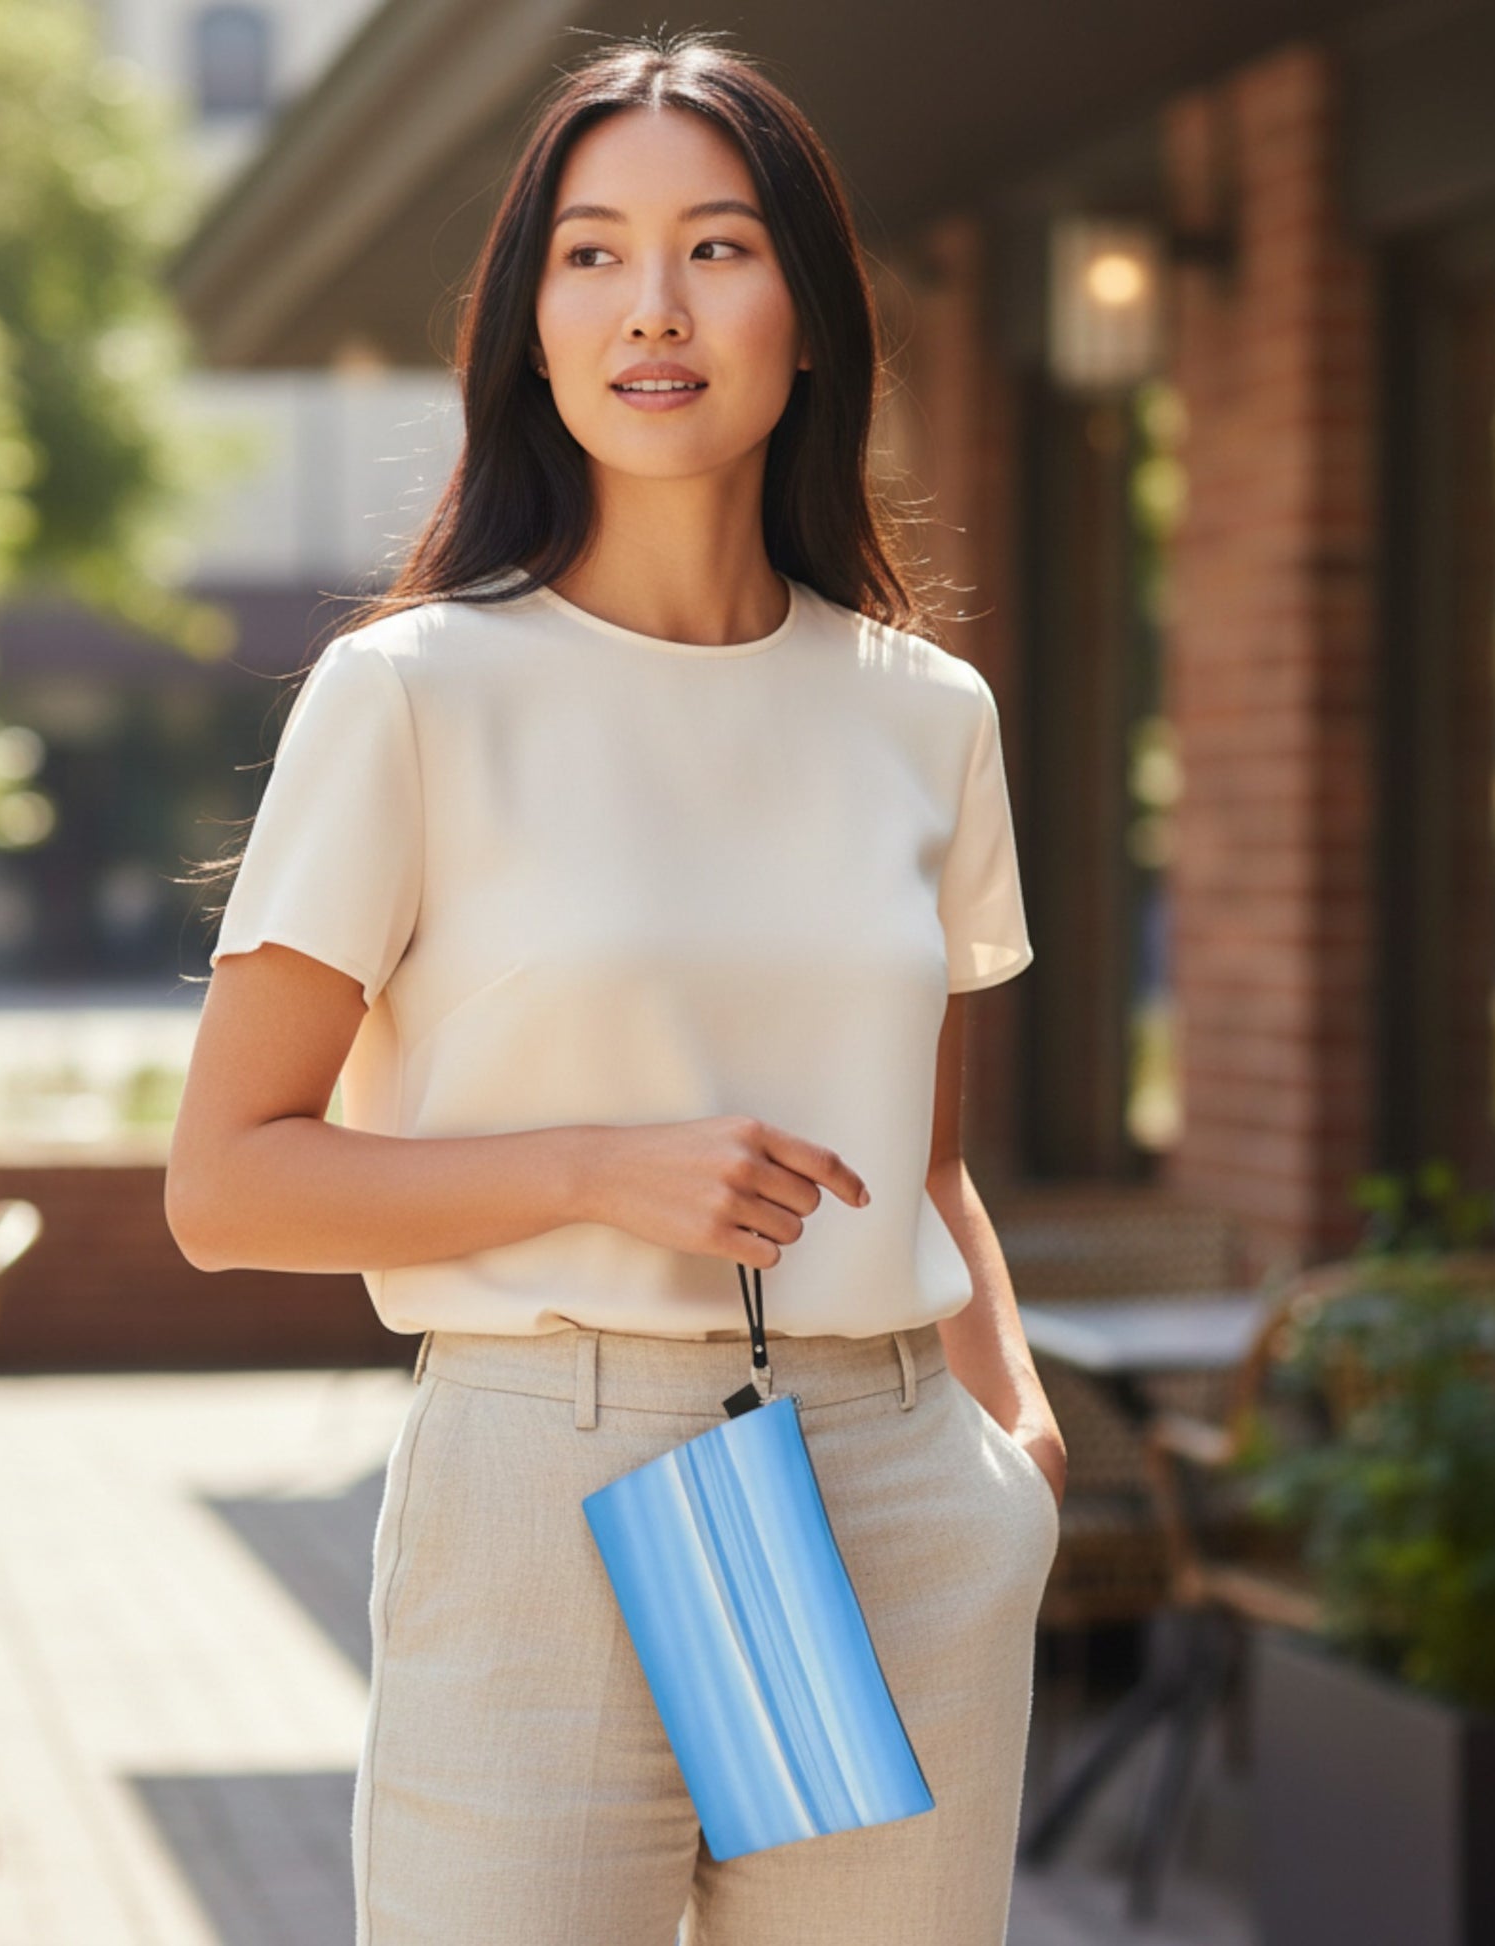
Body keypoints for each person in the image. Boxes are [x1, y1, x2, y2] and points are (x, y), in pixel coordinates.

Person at [166, 27, 1065, 1945]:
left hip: (891, 1495)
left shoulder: (926, 717)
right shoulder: (409, 694)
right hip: (547, 1480)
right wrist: (594, 1167)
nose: (652, 305)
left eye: (718, 247)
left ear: (811, 315)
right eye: (591, 251)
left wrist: (1010, 1444)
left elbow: (929, 1167)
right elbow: (228, 1179)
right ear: (532, 319)